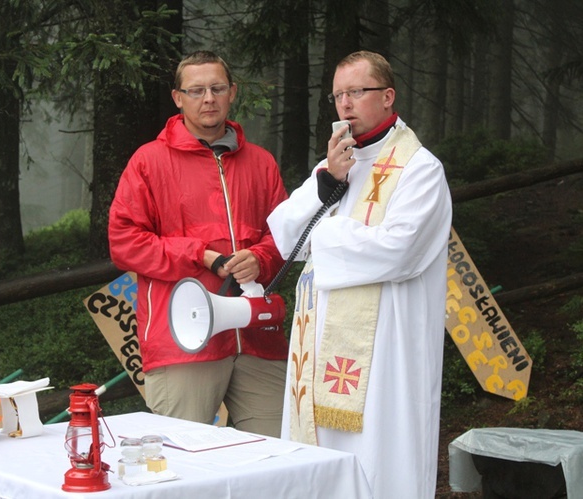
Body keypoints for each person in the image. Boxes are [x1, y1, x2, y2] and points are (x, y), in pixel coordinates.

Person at [267, 50, 452, 498]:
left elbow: (400, 250)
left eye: (356, 92)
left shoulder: (419, 169)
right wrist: (326, 183)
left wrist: (324, 236)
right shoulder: (333, 167)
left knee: (382, 454)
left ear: (388, 96)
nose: (345, 104)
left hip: (389, 350)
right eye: (337, 95)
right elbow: (284, 232)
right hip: (318, 343)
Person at [108, 51, 289, 437]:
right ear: (178, 98)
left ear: (232, 92)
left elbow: (286, 236)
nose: (208, 98)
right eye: (196, 90)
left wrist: (260, 258)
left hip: (257, 336)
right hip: (183, 341)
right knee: (179, 466)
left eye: (217, 88)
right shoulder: (149, 161)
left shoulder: (261, 163)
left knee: (280, 456)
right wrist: (200, 255)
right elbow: (124, 242)